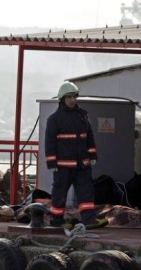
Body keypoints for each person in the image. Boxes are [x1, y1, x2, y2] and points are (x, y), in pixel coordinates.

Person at [45, 81, 108, 230]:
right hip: (63, 167)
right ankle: (57, 221)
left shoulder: (83, 115)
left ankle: (89, 220)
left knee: (86, 193)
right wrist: (52, 163)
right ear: (62, 99)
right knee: (59, 194)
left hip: (82, 165)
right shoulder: (54, 119)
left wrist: (92, 155)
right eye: (69, 97)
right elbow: (50, 142)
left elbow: (89, 137)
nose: (73, 100)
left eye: (74, 96)